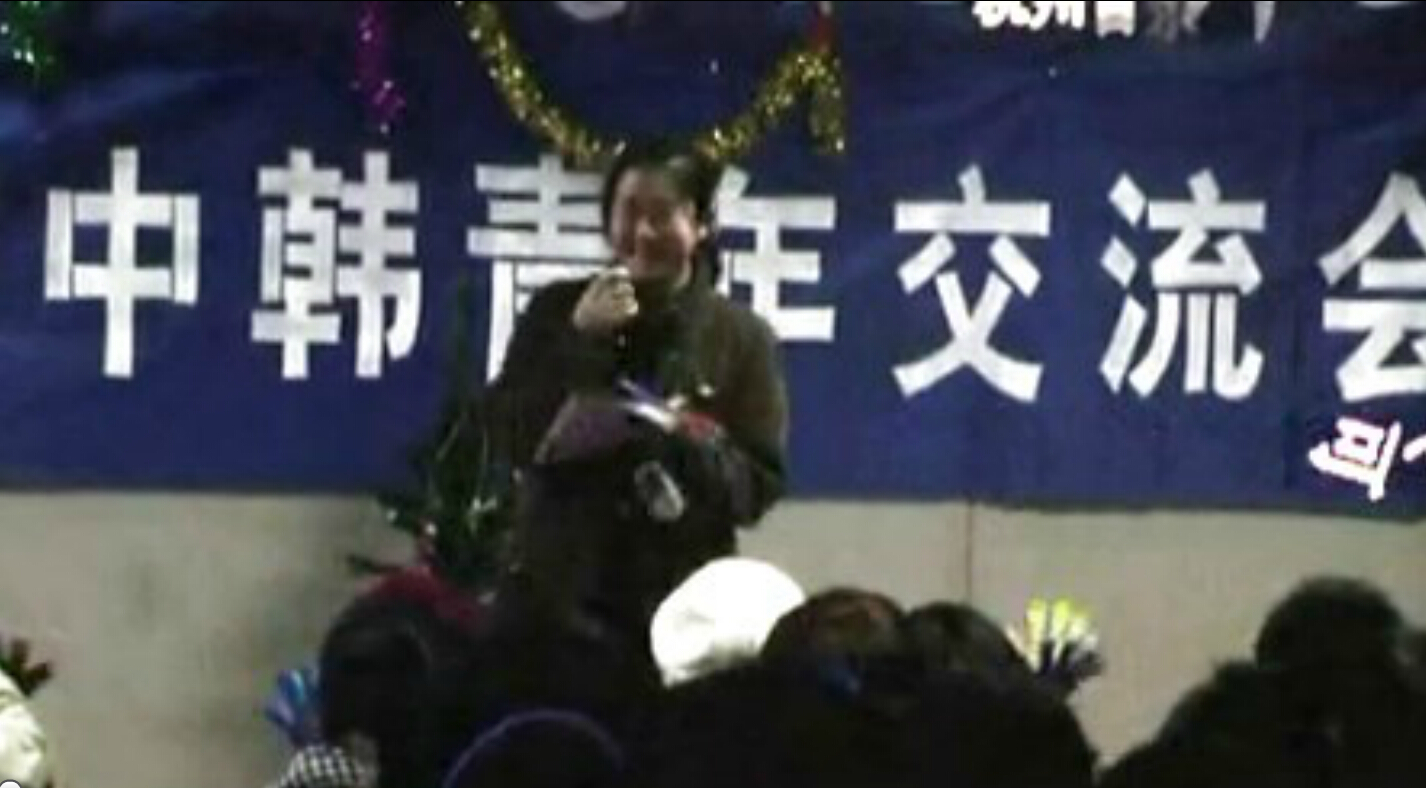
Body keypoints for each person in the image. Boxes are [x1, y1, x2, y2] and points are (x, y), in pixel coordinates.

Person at [489, 139, 790, 654]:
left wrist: (687, 442)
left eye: (662, 215)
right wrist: (579, 340)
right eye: (629, 212)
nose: (644, 232)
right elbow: (507, 433)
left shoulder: (740, 337)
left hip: (681, 610)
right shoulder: (557, 310)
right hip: (557, 594)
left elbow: (757, 488)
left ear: (700, 225)